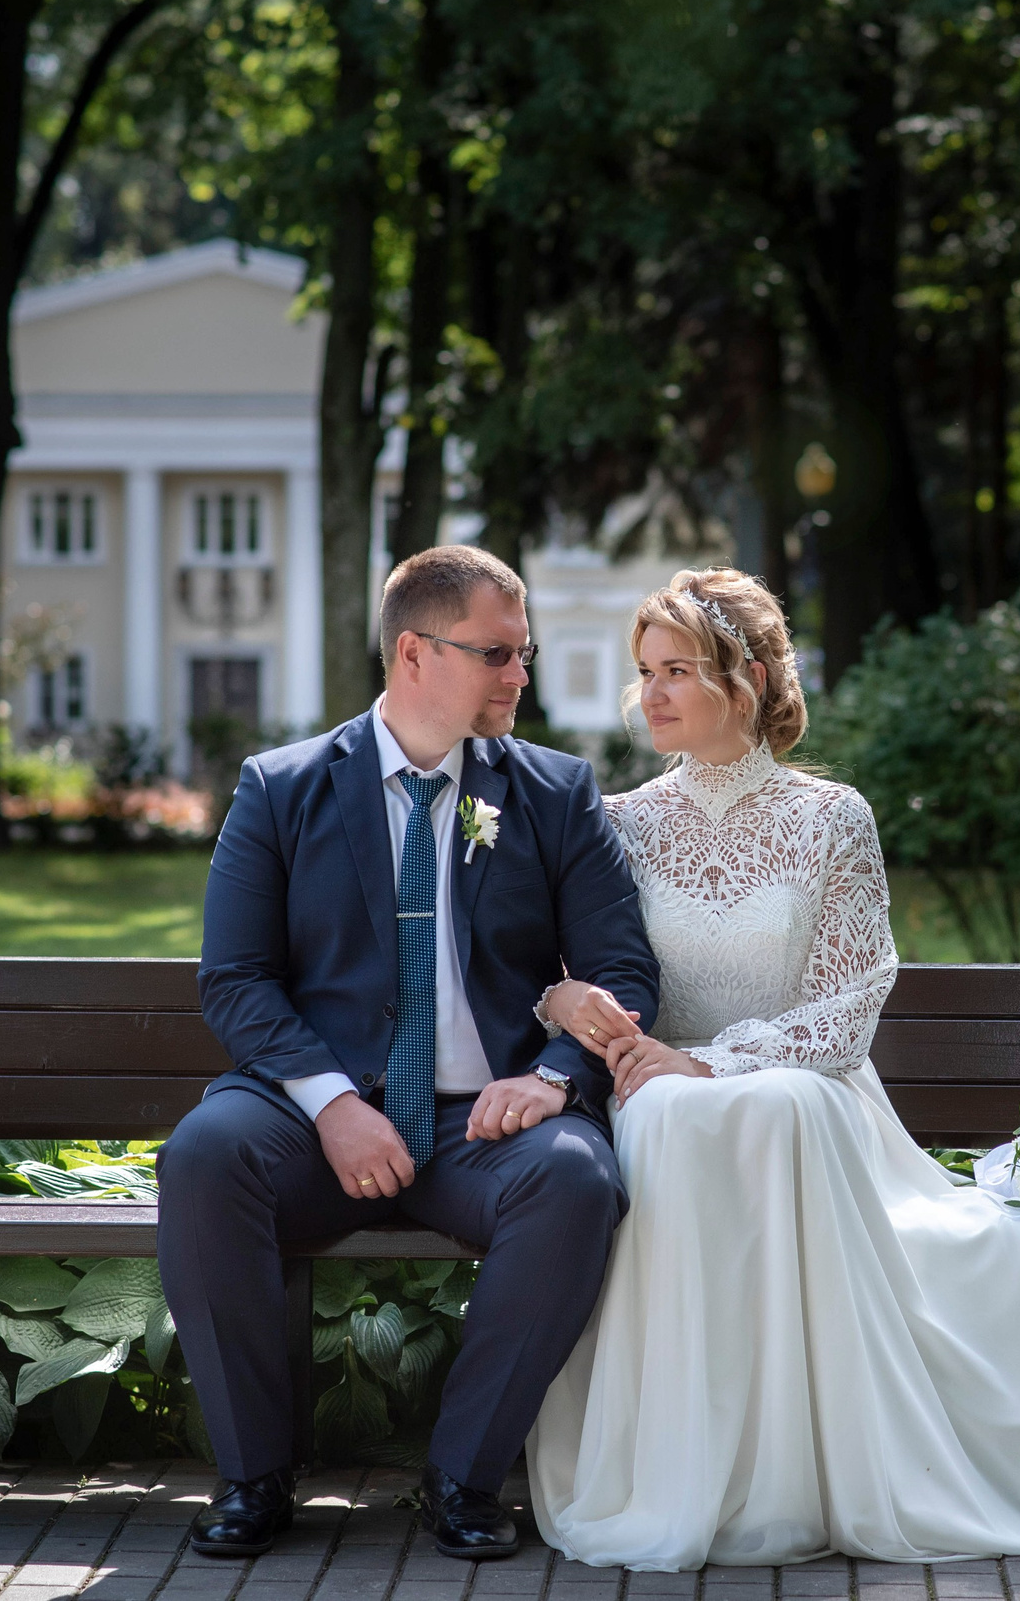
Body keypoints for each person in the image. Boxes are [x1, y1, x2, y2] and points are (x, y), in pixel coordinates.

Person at [525, 568, 1020, 1570]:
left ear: (744, 679)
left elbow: (848, 1001)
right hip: (663, 1089)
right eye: (642, 672)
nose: (647, 693)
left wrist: (710, 1059)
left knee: (759, 1102)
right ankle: (689, 1467)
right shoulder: (618, 821)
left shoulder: (831, 817)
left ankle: (799, 1470)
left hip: (808, 1095)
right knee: (662, 1116)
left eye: (676, 671)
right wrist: (581, 1010)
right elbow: (568, 972)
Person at [160, 545, 659, 1563]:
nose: (520, 674)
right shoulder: (281, 787)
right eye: (497, 653)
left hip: (484, 1126)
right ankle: (254, 1475)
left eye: (523, 651)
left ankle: (464, 1477)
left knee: (574, 1178)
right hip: (316, 1121)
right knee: (206, 1155)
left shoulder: (555, 792)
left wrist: (556, 1073)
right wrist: (332, 1102)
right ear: (413, 652)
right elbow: (237, 978)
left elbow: (622, 967)